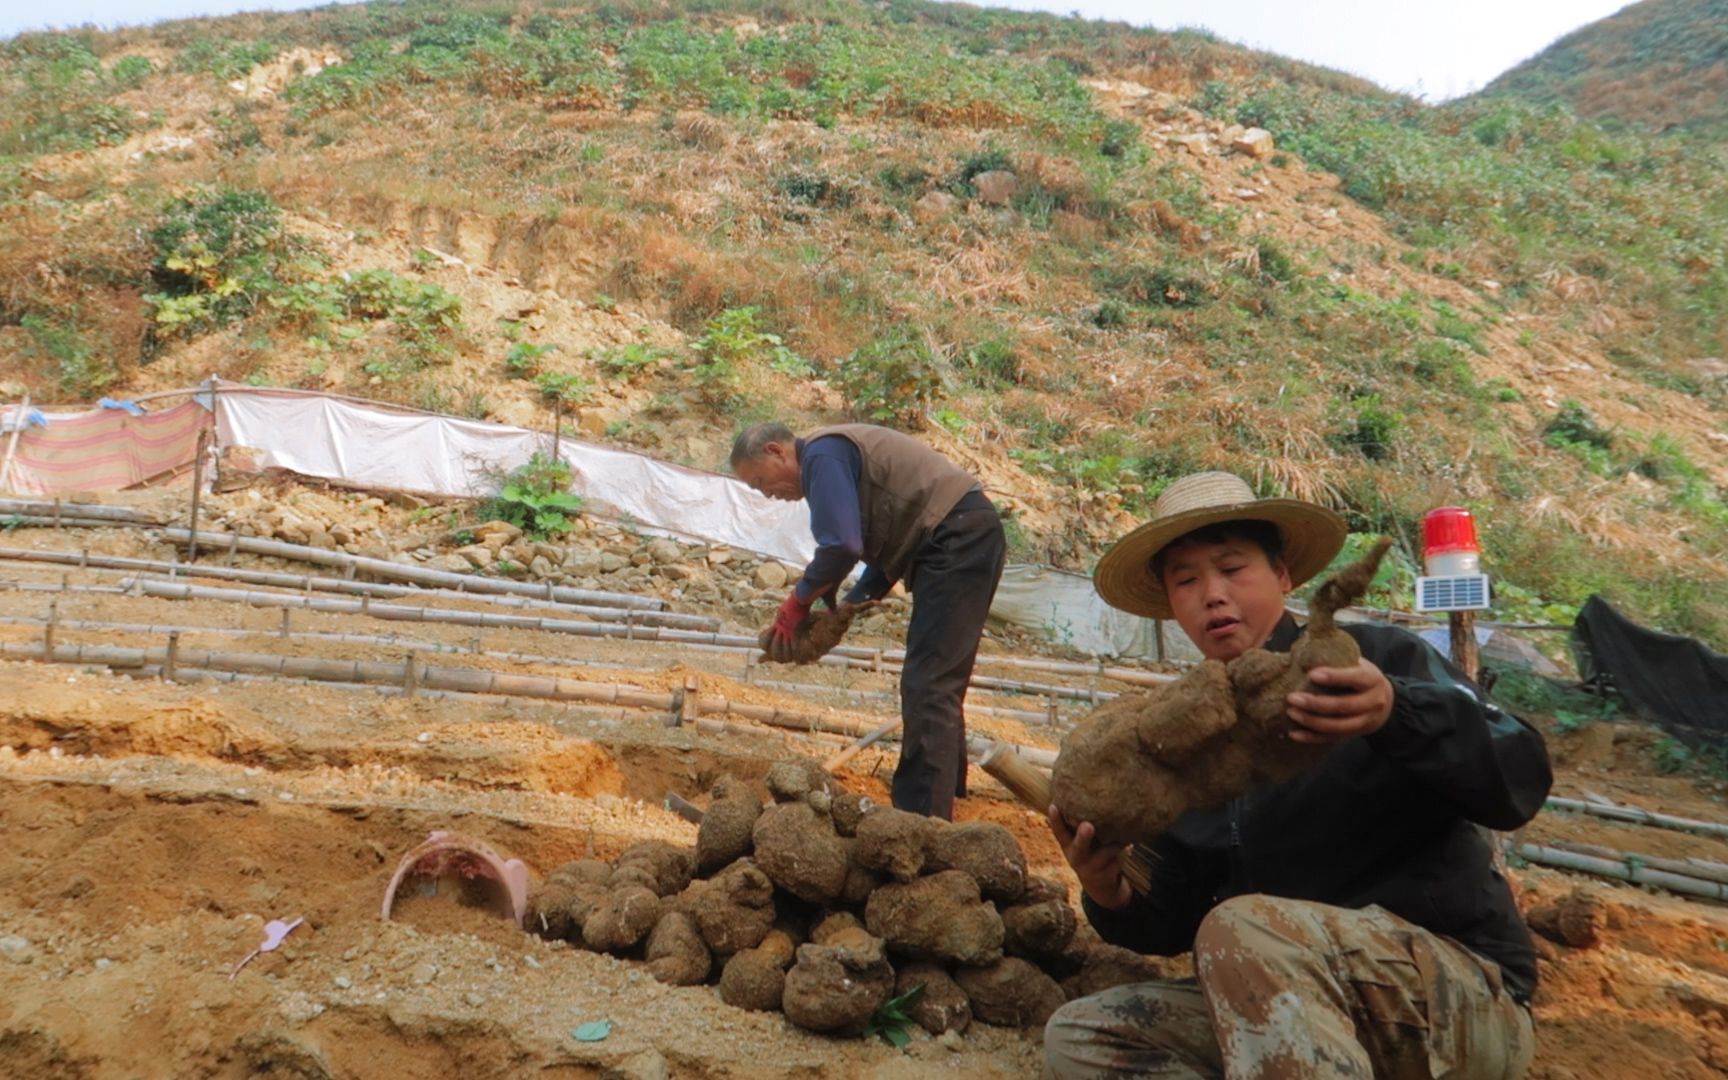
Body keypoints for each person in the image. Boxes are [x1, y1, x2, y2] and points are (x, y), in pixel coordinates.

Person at [1045, 471, 1551, 1080]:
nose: (1211, 594)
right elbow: (1176, 920)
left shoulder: (1374, 663)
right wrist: (1112, 892)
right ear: (1170, 605)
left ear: (1283, 577)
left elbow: (1520, 776)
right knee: (1086, 1038)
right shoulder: (1185, 736)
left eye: (1232, 569)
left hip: (1449, 998)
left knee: (1245, 925)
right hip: (1288, 1003)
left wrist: (1396, 711)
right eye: (1186, 580)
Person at [730, 420, 1005, 820]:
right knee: (938, 677)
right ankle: (944, 798)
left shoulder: (822, 455)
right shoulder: (832, 457)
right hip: (959, 534)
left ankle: (920, 818)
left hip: (957, 536)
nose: (767, 494)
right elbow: (884, 543)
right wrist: (848, 605)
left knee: (928, 681)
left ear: (776, 452)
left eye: (759, 482)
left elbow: (842, 544)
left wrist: (797, 603)